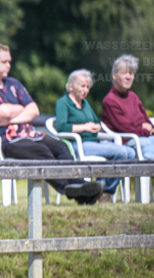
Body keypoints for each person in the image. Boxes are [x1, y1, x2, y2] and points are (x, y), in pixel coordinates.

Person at [0, 42, 103, 204]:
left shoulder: (13, 84)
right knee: (41, 150)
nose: (9, 65)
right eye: (4, 62)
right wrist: (21, 108)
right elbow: (1, 112)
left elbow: (34, 110)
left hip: (28, 134)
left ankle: (79, 187)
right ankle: (69, 189)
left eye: (9, 61)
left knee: (61, 146)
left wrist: (12, 117)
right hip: (4, 141)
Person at [54, 69, 136, 199]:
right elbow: (62, 127)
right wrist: (85, 127)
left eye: (87, 87)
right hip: (78, 145)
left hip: (95, 142)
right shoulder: (63, 103)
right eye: (82, 86)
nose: (86, 90)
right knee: (121, 153)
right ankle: (105, 191)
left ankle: (102, 188)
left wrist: (97, 126)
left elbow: (97, 122)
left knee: (130, 153)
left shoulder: (85, 103)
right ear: (71, 86)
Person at [100, 54, 154, 160]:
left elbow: (147, 122)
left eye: (131, 73)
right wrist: (146, 130)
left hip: (145, 137)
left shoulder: (133, 97)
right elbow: (126, 129)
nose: (128, 77)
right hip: (128, 141)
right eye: (124, 73)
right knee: (147, 145)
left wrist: (151, 129)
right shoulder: (110, 101)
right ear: (114, 76)